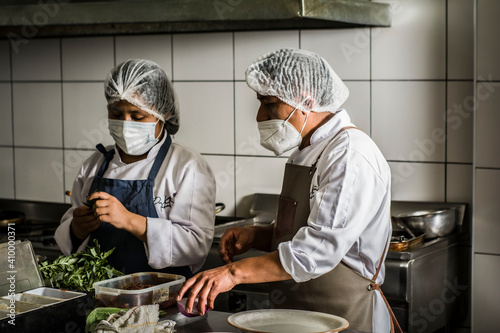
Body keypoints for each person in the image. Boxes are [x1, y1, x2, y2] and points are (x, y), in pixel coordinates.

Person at [177, 48, 401, 332]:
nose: (260, 115)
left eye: (269, 103)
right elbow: (306, 228)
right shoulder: (308, 149)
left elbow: (315, 251)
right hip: (299, 315)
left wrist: (233, 273)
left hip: (347, 317)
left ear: (306, 98)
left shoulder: (349, 155)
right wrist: (259, 235)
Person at [55, 59, 216, 277]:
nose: (126, 123)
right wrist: (77, 228)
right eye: (116, 114)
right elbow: (68, 234)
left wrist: (130, 220)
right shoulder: (95, 164)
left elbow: (195, 246)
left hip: (163, 300)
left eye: (137, 116)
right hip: (100, 299)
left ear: (163, 113)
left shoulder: (187, 166)